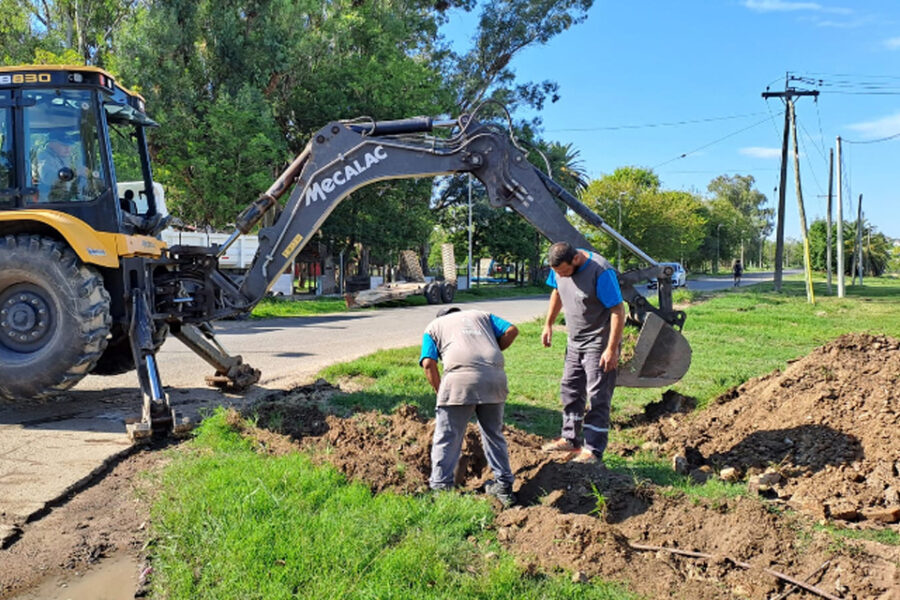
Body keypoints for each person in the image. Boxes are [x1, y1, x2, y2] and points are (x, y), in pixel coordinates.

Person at [419, 306, 519, 506]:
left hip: (459, 380)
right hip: (494, 378)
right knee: (493, 434)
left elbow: (429, 363)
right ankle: (504, 487)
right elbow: (512, 330)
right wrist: (492, 355)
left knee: (447, 436)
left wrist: (442, 393)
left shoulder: (434, 326)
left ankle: (440, 489)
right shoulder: (482, 316)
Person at [540, 241, 625, 465]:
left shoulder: (601, 271)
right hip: (575, 341)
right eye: (558, 272)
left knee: (597, 394)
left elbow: (618, 310)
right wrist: (548, 324)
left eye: (565, 271)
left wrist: (612, 348)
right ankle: (570, 438)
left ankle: (593, 449)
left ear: (576, 259)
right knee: (570, 388)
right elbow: (556, 292)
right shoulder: (558, 269)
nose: (562, 276)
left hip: (599, 342)